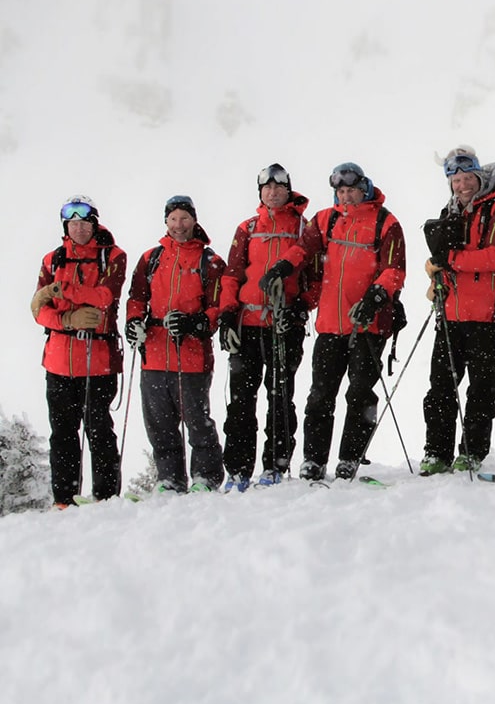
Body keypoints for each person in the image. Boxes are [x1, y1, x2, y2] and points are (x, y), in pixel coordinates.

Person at [258, 162, 405, 482]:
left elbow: (394, 269)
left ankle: (350, 458)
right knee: (320, 396)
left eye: (351, 190)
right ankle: (313, 460)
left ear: (364, 187)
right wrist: (282, 268)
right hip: (329, 324)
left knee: (361, 394)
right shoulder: (326, 219)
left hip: (368, 324)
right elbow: (303, 249)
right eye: (341, 191)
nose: (347, 196)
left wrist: (376, 296)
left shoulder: (385, 222)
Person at [418, 147, 495, 475]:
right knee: (441, 387)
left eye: (466, 178)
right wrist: (437, 270)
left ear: (479, 175)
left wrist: (452, 261)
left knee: (480, 388)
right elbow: (443, 258)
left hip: (490, 314)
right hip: (451, 313)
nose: (461, 186)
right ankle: (437, 452)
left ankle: (472, 452)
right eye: (455, 180)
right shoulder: (450, 212)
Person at [217, 164, 317, 491]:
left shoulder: (305, 228)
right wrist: (227, 314)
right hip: (248, 324)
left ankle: (275, 464)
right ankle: (238, 470)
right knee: (242, 400)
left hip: (283, 324)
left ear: (289, 190)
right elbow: (232, 273)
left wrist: (301, 308)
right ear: (260, 192)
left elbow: (316, 278)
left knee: (279, 397)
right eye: (267, 187)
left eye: (279, 187)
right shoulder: (247, 228)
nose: (273, 192)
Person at [125, 196, 226, 493]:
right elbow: (136, 298)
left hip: (192, 355)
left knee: (197, 421)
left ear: (194, 220)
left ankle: (206, 476)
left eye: (184, 219)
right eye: (173, 219)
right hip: (154, 354)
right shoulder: (151, 258)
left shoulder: (210, 261)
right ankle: (169, 479)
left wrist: (195, 323)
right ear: (165, 222)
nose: (179, 225)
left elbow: (218, 307)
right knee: (160, 425)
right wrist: (133, 323)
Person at [32, 196, 127, 508]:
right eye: (73, 223)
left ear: (94, 223)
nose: (79, 228)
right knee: (62, 434)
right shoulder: (52, 260)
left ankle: (106, 496)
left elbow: (104, 297)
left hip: (98, 360)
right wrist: (65, 319)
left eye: (85, 222)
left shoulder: (112, 256)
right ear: (66, 226)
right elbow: (38, 309)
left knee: (99, 430)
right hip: (59, 361)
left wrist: (64, 291)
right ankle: (65, 498)